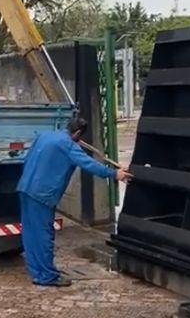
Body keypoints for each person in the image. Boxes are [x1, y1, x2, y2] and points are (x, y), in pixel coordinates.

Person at [17, 117, 132, 287]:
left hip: (25, 188)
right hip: (42, 195)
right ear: (78, 133)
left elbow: (27, 159)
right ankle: (47, 276)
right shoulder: (68, 145)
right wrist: (115, 174)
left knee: (30, 232)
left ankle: (37, 271)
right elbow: (89, 164)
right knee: (44, 235)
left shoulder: (45, 136)